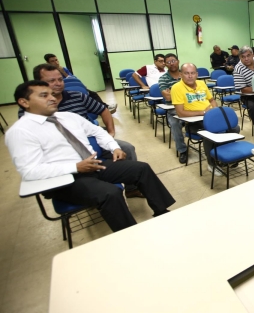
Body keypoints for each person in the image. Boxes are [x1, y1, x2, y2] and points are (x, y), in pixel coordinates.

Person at [6, 81, 175, 232]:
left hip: (94, 165)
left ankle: (162, 212)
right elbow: (30, 171)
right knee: (110, 193)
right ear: (24, 102)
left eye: (52, 94)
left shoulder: (68, 117)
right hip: (66, 179)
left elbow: (97, 132)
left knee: (141, 169)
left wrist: (114, 147)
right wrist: (75, 167)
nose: (52, 98)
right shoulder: (21, 132)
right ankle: (128, 235)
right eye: (44, 95)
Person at [25, 64, 142, 198]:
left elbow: (103, 110)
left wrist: (110, 132)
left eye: (60, 79)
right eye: (51, 81)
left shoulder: (77, 96)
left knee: (127, 148)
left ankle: (131, 188)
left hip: (90, 139)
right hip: (60, 149)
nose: (58, 83)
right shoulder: (32, 107)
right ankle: (88, 190)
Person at [171, 63, 239, 176]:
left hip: (210, 117)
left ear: (197, 74)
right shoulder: (176, 88)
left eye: (192, 73)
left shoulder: (202, 83)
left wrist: (214, 111)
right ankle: (212, 163)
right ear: (181, 74)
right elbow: (180, 113)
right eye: (186, 73)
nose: (190, 76)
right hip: (193, 123)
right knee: (209, 133)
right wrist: (203, 112)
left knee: (234, 128)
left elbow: (212, 100)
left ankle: (226, 156)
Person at [44, 53, 117, 113]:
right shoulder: (47, 73)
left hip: (73, 87)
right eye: (53, 61)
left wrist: (64, 72)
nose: (56, 62)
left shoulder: (64, 69)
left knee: (92, 94)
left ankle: (105, 107)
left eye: (56, 60)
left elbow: (73, 79)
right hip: (63, 90)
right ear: (48, 63)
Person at [157, 53, 189, 164]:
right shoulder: (163, 79)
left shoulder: (186, 75)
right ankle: (183, 150)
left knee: (207, 118)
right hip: (173, 109)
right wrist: (184, 92)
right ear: (165, 64)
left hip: (190, 107)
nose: (172, 63)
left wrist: (174, 92)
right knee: (175, 125)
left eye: (173, 61)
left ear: (178, 61)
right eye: (169, 62)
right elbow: (167, 97)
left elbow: (194, 92)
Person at [233, 46, 254, 141]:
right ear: (240, 57)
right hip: (249, 95)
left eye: (248, 55)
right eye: (243, 57)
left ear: (252, 54)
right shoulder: (238, 68)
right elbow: (244, 89)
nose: (246, 58)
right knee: (253, 107)